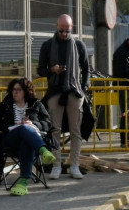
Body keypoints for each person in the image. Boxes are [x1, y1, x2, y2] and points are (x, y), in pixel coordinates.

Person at [36, 14, 89, 180]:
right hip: (55, 91)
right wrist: (52, 70)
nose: (64, 34)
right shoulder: (47, 45)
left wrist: (85, 87)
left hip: (74, 90)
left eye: (67, 30)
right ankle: (56, 166)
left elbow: (87, 68)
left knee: (75, 130)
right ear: (56, 26)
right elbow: (40, 70)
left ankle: (74, 165)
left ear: (71, 28)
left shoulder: (79, 45)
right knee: (55, 130)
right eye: (61, 30)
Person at [0, 78, 56, 196]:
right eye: (13, 90)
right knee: (23, 129)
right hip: (10, 141)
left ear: (25, 91)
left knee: (27, 138)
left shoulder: (37, 104)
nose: (15, 92)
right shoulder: (5, 105)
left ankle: (23, 182)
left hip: (30, 141)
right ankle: (43, 150)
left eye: (18, 90)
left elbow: (47, 123)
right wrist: (14, 126)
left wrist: (34, 124)